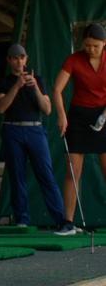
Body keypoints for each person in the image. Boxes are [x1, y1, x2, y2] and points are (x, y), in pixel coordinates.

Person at [0, 44, 74, 235]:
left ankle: (61, 221)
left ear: (26, 58)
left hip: (35, 130)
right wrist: (17, 86)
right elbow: (0, 107)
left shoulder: (37, 79)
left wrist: (35, 88)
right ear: (9, 60)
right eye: (14, 58)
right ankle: (22, 220)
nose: (19, 61)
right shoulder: (5, 82)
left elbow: (47, 109)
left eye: (21, 57)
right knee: (17, 176)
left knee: (46, 175)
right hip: (13, 130)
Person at [53, 23, 106, 229]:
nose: (91, 49)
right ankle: (68, 222)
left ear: (104, 43)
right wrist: (62, 115)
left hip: (102, 115)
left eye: (95, 46)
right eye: (87, 45)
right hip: (78, 117)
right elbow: (57, 89)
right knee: (72, 171)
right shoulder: (74, 60)